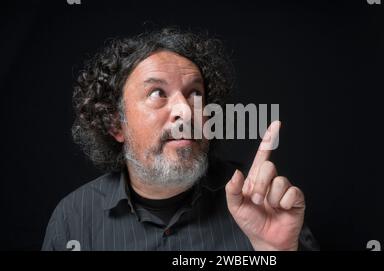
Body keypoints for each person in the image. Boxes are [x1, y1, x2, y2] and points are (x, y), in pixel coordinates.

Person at [42, 28, 319, 251]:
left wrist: (278, 251)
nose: (186, 112)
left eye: (195, 95)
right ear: (117, 124)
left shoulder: (262, 203)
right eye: (157, 94)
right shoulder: (74, 219)